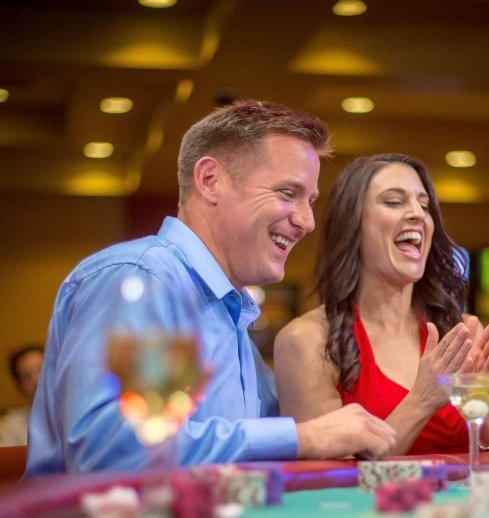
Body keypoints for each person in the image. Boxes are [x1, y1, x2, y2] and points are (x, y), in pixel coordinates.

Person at [25, 100, 396, 476]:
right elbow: (112, 449)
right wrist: (302, 439)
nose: (307, 221)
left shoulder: (225, 307)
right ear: (210, 180)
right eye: (288, 193)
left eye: (310, 201)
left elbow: (299, 424)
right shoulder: (145, 278)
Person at [273, 153, 489, 455]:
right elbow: (330, 481)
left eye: (425, 205)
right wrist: (421, 401)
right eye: (394, 202)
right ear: (352, 224)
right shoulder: (307, 340)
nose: (417, 213)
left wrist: (477, 397)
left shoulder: (460, 332)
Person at [0, 344, 43, 446]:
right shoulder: (12, 427)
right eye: (26, 376)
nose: (36, 380)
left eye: (42, 369)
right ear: (19, 387)